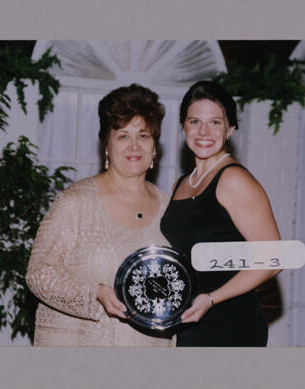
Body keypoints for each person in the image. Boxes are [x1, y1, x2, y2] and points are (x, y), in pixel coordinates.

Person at [26, 84, 173, 346]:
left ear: (155, 148)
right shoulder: (76, 202)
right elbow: (38, 274)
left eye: (143, 135)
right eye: (123, 135)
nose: (134, 146)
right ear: (107, 145)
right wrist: (93, 295)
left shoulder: (169, 208)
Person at [160, 80, 282, 347]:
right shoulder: (181, 184)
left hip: (231, 321)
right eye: (194, 122)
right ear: (183, 126)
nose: (204, 131)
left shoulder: (233, 179)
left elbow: (274, 259)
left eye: (215, 122)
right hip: (192, 317)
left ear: (230, 129)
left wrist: (212, 298)